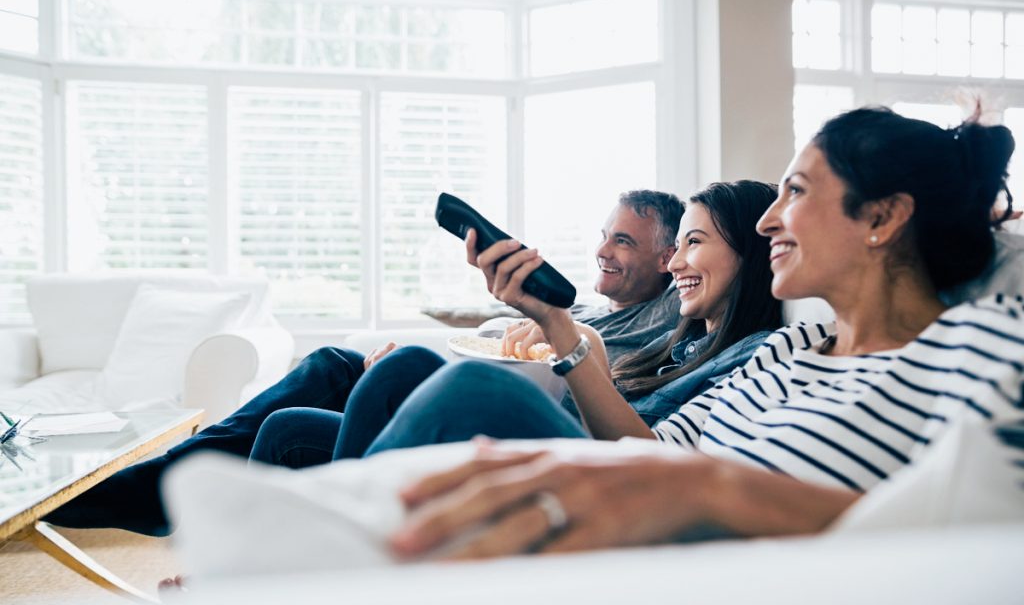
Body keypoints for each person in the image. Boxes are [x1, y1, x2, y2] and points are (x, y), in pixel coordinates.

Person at [377, 105, 1022, 560]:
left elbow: (983, 540)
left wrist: (717, 488)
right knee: (431, 382)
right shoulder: (788, 349)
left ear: (881, 215)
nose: (768, 220)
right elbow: (650, 447)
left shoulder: (981, 346)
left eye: (794, 191)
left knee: (475, 394)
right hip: (646, 537)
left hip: (722, 583)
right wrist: (557, 325)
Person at [45, 190, 685, 536]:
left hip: (505, 422)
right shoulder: (599, 313)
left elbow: (571, 388)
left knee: (336, 374)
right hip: (488, 390)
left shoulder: (666, 320)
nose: (602, 250)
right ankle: (154, 488)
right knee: (316, 386)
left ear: (668, 257)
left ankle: (144, 492)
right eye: (603, 234)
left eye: (623, 240)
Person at [249, 180, 782, 467]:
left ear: (750, 255)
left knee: (421, 371)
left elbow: (650, 454)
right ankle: (245, 576)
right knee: (288, 429)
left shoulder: (753, 350)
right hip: (569, 436)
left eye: (694, 243)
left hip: (590, 462)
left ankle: (333, 571)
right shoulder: (688, 343)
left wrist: (562, 328)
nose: (676, 263)